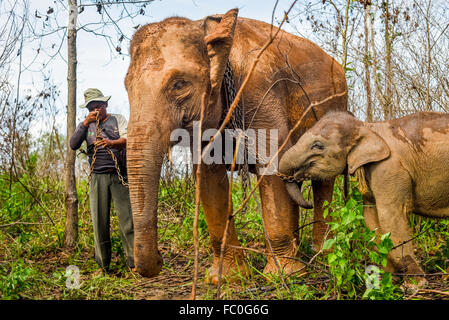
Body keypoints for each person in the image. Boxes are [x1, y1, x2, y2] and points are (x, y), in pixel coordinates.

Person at [70, 88, 134, 274]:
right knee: (99, 222)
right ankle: (103, 265)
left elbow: (128, 138)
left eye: (98, 105)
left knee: (127, 220)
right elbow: (73, 144)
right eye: (91, 107)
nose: (96, 109)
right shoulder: (86, 126)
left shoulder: (117, 119)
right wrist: (85, 123)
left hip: (119, 175)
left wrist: (111, 143)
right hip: (97, 178)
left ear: (105, 105)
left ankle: (133, 262)